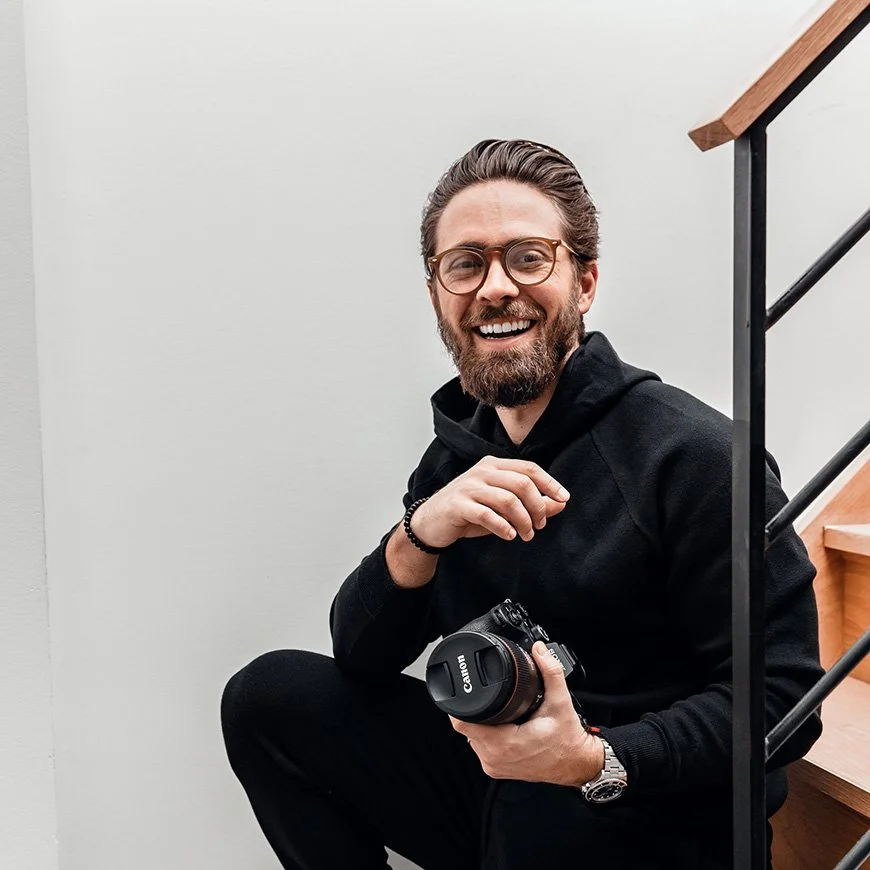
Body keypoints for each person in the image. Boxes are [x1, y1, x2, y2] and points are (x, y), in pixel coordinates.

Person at [221, 138, 824, 869]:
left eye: (528, 257)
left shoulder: (696, 455)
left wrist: (592, 757)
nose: (495, 287)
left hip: (646, 819)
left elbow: (785, 703)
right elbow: (362, 654)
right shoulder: (453, 459)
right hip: (500, 797)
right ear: (438, 294)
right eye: (465, 264)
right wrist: (421, 531)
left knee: (550, 821)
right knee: (267, 698)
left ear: (586, 281)